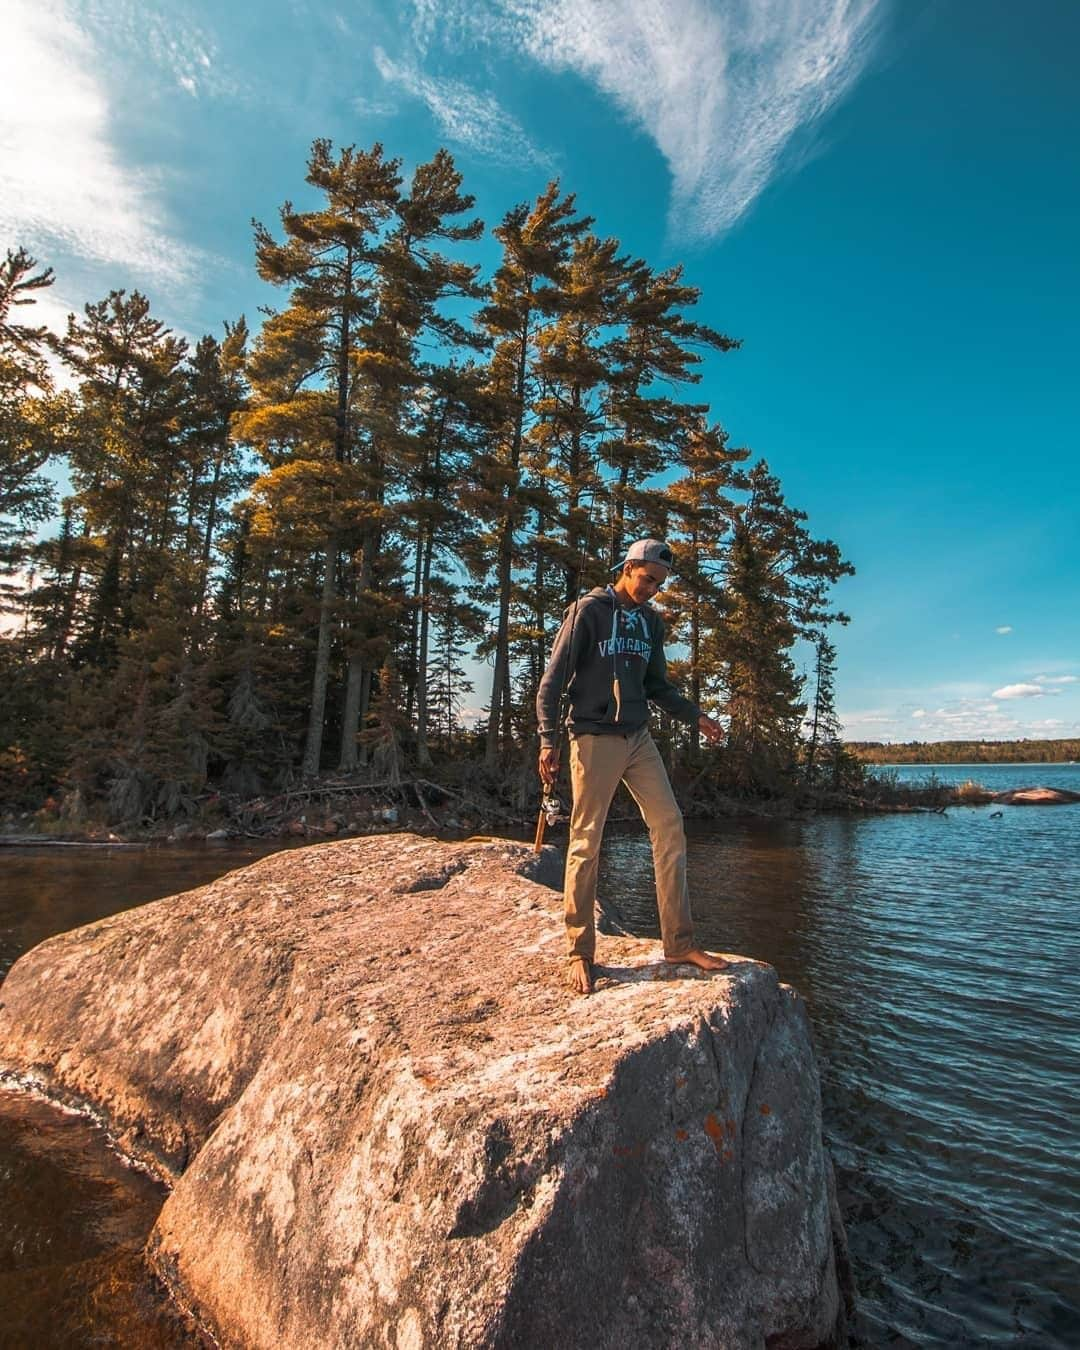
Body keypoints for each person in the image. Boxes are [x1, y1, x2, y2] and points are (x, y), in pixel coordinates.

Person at [536, 538, 729, 995]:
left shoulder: (650, 624)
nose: (652, 590)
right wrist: (548, 742)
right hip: (594, 736)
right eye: (647, 580)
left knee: (670, 826)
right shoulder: (589, 611)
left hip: (638, 737)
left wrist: (696, 716)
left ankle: (679, 944)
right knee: (587, 839)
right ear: (627, 568)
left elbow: (658, 686)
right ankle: (579, 951)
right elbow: (552, 682)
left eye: (660, 585)